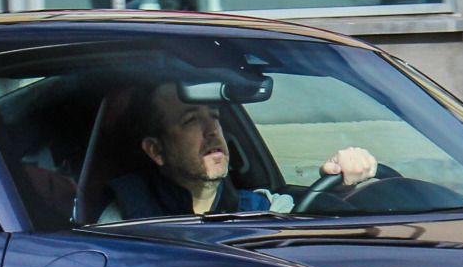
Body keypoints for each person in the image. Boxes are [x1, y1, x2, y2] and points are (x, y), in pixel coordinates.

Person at [97, 80, 375, 221]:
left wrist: (339, 186)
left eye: (215, 116)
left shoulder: (261, 207)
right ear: (156, 150)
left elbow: (320, 231)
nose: (212, 130)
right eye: (191, 120)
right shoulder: (126, 216)